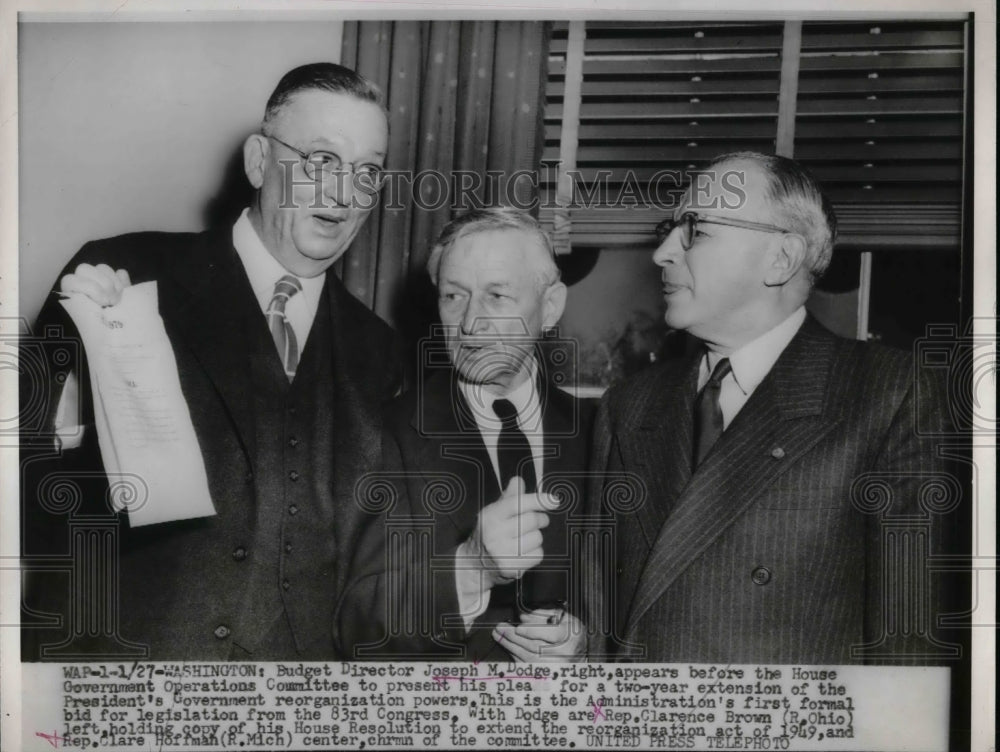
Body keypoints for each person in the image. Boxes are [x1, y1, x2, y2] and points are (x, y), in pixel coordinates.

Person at [21, 63, 402, 660]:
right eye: (322, 160)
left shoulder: (381, 351)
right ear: (258, 161)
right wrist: (67, 423)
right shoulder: (123, 276)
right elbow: (24, 486)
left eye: (368, 172)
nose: (344, 192)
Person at [589, 151, 953, 663]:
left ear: (780, 259)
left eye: (695, 229)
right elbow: (600, 616)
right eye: (670, 227)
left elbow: (908, 645)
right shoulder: (628, 405)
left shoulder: (890, 394)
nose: (663, 252)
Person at [335, 207, 595, 662]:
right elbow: (354, 626)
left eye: (497, 295)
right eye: (454, 296)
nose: (470, 322)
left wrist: (586, 642)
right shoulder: (380, 432)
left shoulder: (603, 429)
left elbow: (637, 598)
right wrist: (472, 568)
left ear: (550, 307)